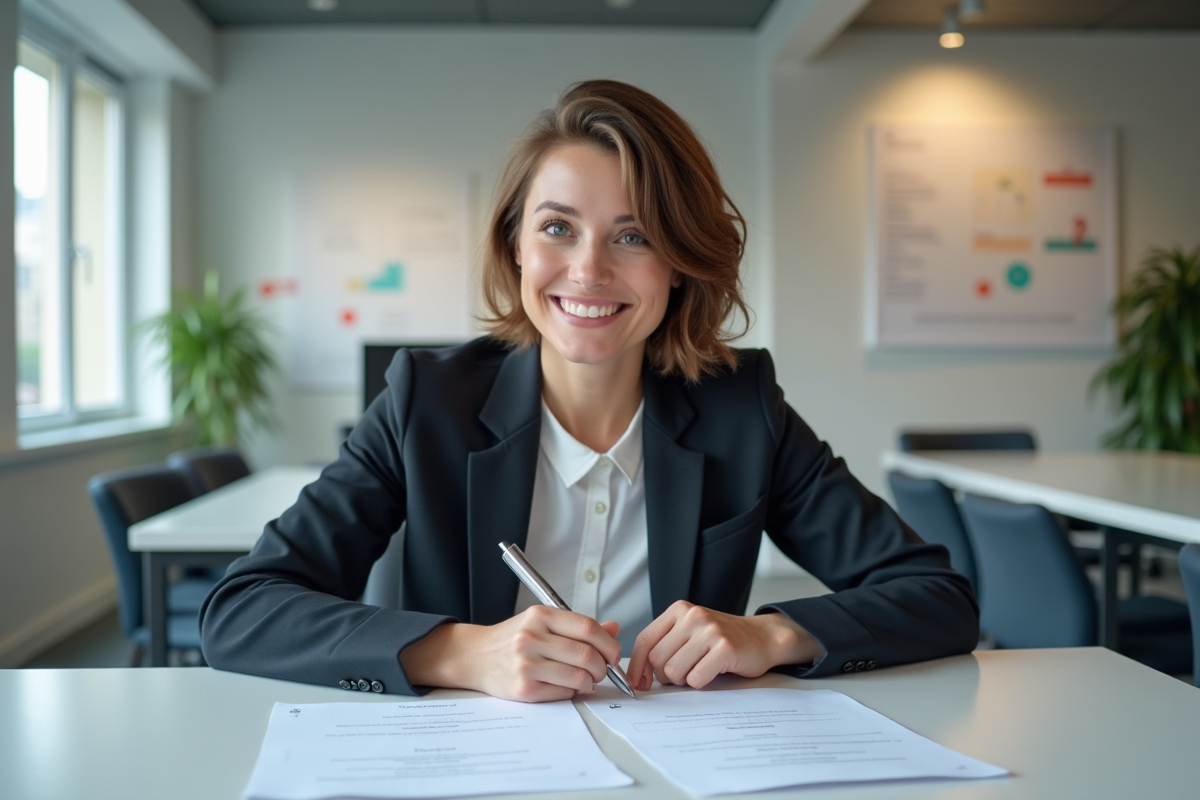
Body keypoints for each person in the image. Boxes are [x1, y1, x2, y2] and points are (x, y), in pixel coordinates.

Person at [199, 80, 978, 702]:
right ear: (515, 244)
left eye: (633, 236)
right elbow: (242, 610)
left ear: (679, 264)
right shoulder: (425, 402)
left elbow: (938, 596)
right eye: (558, 228)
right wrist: (463, 652)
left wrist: (771, 635)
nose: (589, 270)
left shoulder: (744, 408)